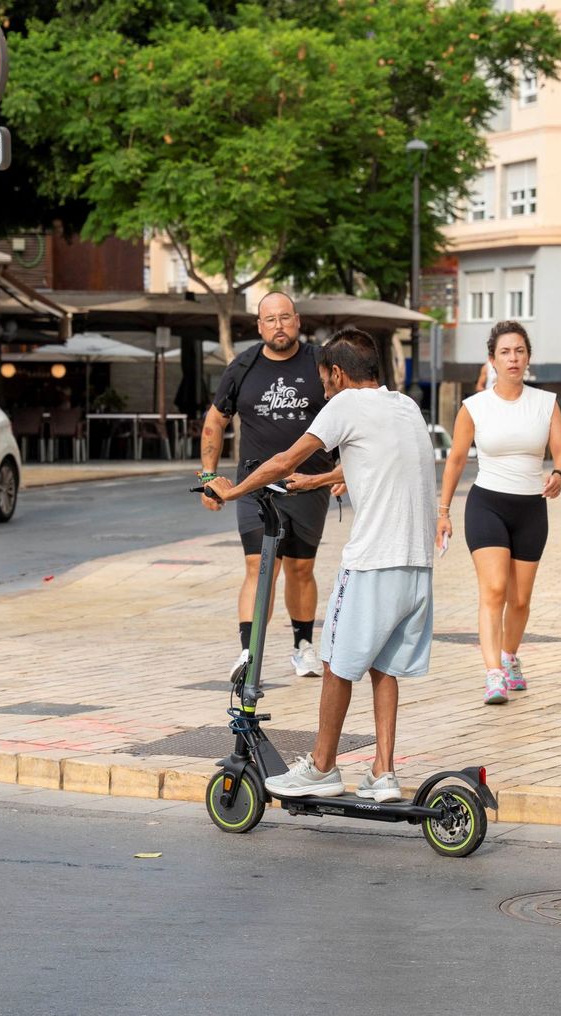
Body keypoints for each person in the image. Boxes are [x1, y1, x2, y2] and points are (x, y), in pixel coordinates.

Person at [206, 328, 436, 801]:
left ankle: (323, 767)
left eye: (324, 380)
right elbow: (376, 459)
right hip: (417, 566)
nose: (323, 389)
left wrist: (232, 490)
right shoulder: (405, 406)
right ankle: (383, 772)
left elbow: (286, 456)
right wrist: (317, 482)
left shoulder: (345, 405)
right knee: (382, 666)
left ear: (336, 372)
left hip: (372, 561)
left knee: (334, 660)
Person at [197, 291, 334, 683]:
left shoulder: (320, 362)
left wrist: (340, 468)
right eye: (270, 319)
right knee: (260, 565)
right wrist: (209, 477)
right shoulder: (242, 367)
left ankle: (303, 646)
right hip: (255, 485)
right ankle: (248, 651)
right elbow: (214, 421)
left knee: (301, 568)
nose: (279, 326)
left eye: (285, 318)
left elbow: (348, 414)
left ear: (298, 321)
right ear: (259, 326)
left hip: (308, 482)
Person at [438, 322, 561, 705]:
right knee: (494, 590)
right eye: (505, 352)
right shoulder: (474, 406)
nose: (513, 358)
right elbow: (456, 460)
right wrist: (443, 511)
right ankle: (493, 673)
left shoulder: (545, 403)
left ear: (527, 357)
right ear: (492, 360)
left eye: (519, 351)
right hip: (487, 505)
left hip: (531, 506)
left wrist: (559, 473)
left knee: (520, 599)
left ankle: (511, 657)